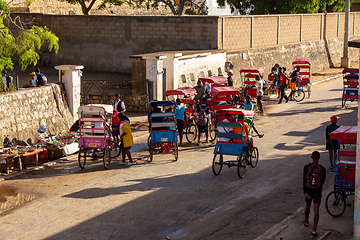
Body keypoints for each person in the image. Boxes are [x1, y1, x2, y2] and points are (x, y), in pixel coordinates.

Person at [303, 151, 326, 237]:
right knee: (316, 211)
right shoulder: (322, 169)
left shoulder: (306, 167)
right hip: (317, 191)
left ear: (311, 157)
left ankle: (306, 221)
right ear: (319, 158)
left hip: (308, 190)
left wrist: (305, 192)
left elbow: (304, 180)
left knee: (307, 206)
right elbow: (322, 181)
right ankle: (314, 230)